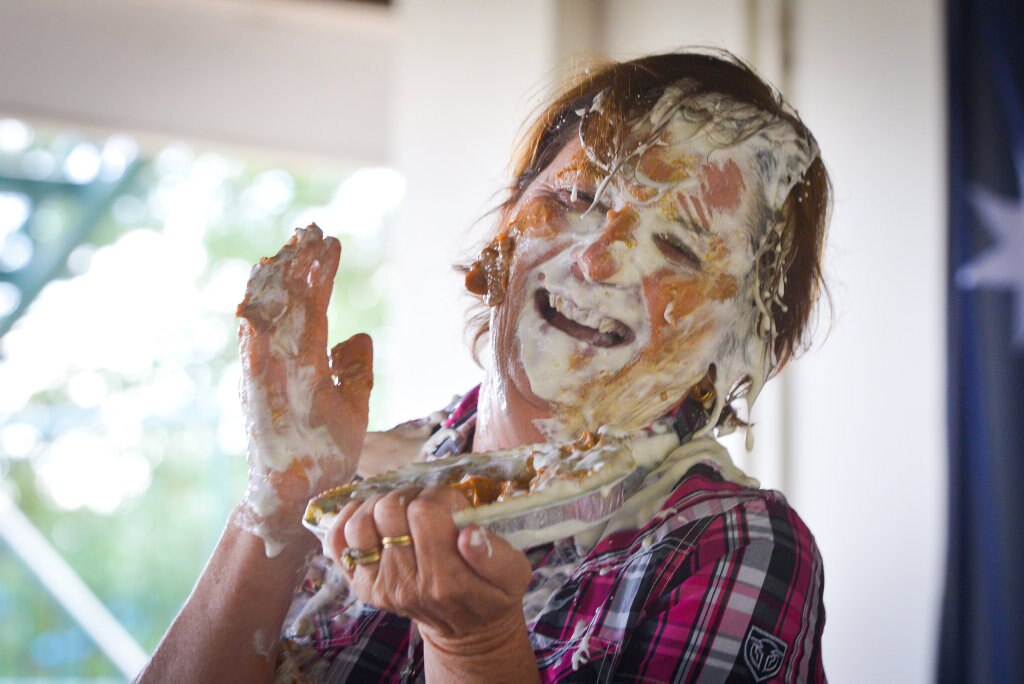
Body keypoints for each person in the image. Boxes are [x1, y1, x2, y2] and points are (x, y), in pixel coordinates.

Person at [137, 48, 830, 683]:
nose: (597, 259)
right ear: (504, 230)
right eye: (575, 201)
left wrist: (474, 644)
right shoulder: (351, 480)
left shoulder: (727, 545)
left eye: (678, 246)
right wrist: (278, 511)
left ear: (742, 337)